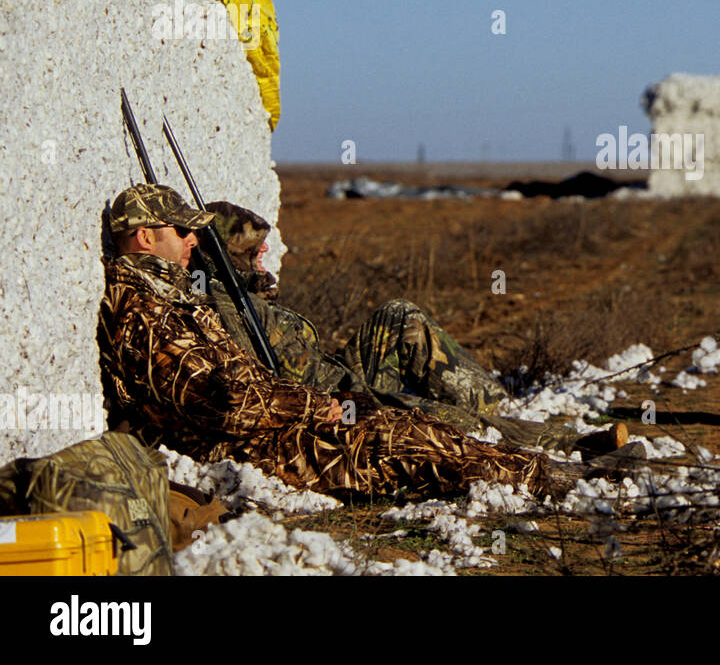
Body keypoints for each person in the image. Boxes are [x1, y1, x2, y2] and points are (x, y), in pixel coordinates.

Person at [97, 184, 565, 499]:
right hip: (255, 447)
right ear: (143, 237)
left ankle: (549, 473)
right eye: (181, 231)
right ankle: (545, 477)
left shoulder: (173, 299)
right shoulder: (146, 314)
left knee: (414, 432)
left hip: (277, 427)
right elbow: (226, 400)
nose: (192, 242)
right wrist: (314, 406)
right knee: (405, 439)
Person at [196, 200, 628, 457]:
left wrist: (254, 285)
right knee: (451, 421)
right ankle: (572, 448)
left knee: (402, 317)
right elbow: (261, 384)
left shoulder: (244, 294)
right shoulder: (221, 306)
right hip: (333, 401)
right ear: (225, 257)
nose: (266, 251)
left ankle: (498, 409)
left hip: (339, 375)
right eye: (252, 248)